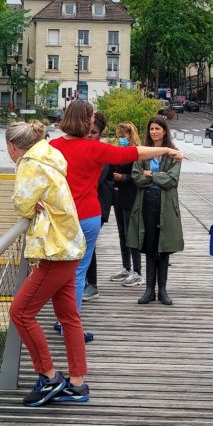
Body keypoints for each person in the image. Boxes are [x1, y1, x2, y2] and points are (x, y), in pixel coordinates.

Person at [51, 100, 184, 335]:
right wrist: (165, 150)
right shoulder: (94, 148)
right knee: (78, 272)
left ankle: (62, 320)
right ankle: (69, 326)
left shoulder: (52, 147)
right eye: (91, 119)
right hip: (88, 216)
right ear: (86, 121)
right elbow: (132, 153)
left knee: (60, 271)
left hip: (60, 217)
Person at [5, 121, 90, 406]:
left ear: (12, 147)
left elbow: (22, 204)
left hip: (54, 250)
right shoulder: (51, 156)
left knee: (20, 313)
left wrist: (31, 207)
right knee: (69, 317)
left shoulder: (29, 163)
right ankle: (77, 383)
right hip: (70, 245)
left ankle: (48, 376)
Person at [128, 115, 184, 305]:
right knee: (150, 244)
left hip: (166, 203)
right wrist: (159, 177)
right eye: (151, 128)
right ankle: (149, 289)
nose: (154, 132)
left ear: (164, 131)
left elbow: (172, 181)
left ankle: (163, 290)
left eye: (157, 128)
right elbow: (137, 178)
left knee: (164, 245)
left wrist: (151, 174)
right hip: (146, 201)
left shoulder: (173, 153)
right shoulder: (143, 151)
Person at [107, 121, 143, 287]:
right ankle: (126, 267)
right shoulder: (119, 151)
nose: (121, 138)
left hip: (131, 195)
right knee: (122, 233)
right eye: (119, 135)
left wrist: (124, 178)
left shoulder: (136, 151)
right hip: (118, 196)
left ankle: (137, 271)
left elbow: (140, 175)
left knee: (131, 234)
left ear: (130, 134)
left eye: (123, 135)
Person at [83, 112, 110, 302]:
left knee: (88, 246)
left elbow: (97, 180)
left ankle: (91, 285)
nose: (90, 135)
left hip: (98, 206)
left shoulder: (101, 152)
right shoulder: (87, 149)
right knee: (86, 246)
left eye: (94, 132)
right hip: (88, 206)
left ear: (100, 134)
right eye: (88, 131)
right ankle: (86, 283)